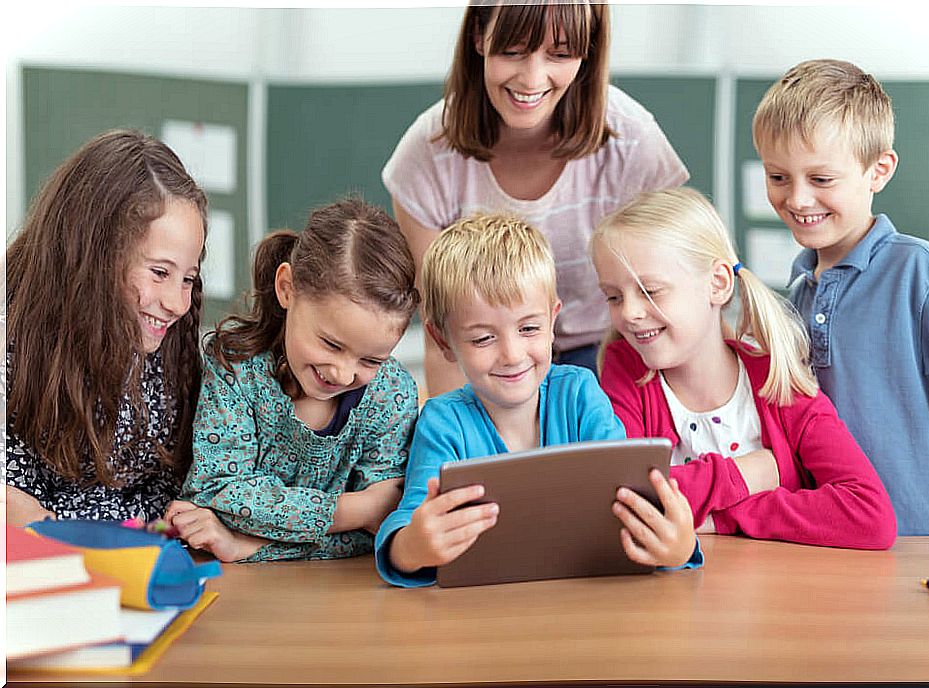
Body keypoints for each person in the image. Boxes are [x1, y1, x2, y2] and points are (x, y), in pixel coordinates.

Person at [375, 213, 702, 588]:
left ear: (552, 320)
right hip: (483, 618)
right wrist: (413, 548)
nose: (512, 355)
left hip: (589, 606)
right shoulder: (443, 422)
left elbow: (637, 502)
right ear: (444, 341)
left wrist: (680, 547)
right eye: (483, 338)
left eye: (529, 328)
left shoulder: (580, 394)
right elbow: (406, 526)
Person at [383, 0, 688, 395]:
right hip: (489, 362)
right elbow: (443, 336)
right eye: (512, 51)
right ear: (479, 36)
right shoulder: (427, 153)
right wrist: (460, 441)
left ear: (587, 50)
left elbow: (685, 291)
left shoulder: (632, 141)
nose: (532, 78)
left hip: (610, 356)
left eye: (560, 54)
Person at [591, 187, 897, 549]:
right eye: (614, 296)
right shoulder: (627, 371)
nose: (628, 313)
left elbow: (869, 515)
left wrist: (722, 518)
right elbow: (623, 503)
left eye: (651, 291)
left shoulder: (777, 381)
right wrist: (745, 474)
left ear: (717, 284)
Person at [752, 59, 929, 536]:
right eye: (778, 177)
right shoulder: (794, 296)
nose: (798, 199)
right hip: (837, 544)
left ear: (879, 170)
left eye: (821, 179)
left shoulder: (920, 273)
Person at [168, 197, 421, 563]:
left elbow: (383, 531)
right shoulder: (236, 368)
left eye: (371, 359)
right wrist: (359, 509)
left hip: (344, 598)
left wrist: (250, 545)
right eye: (331, 344)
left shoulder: (391, 394)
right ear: (287, 288)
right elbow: (216, 492)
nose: (344, 373)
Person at [5, 129, 207, 525]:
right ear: (94, 258)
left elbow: (168, 489)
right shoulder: (16, 347)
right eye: (160, 272)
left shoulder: (167, 351)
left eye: (188, 278)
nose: (178, 303)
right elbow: (17, 510)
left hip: (137, 566)